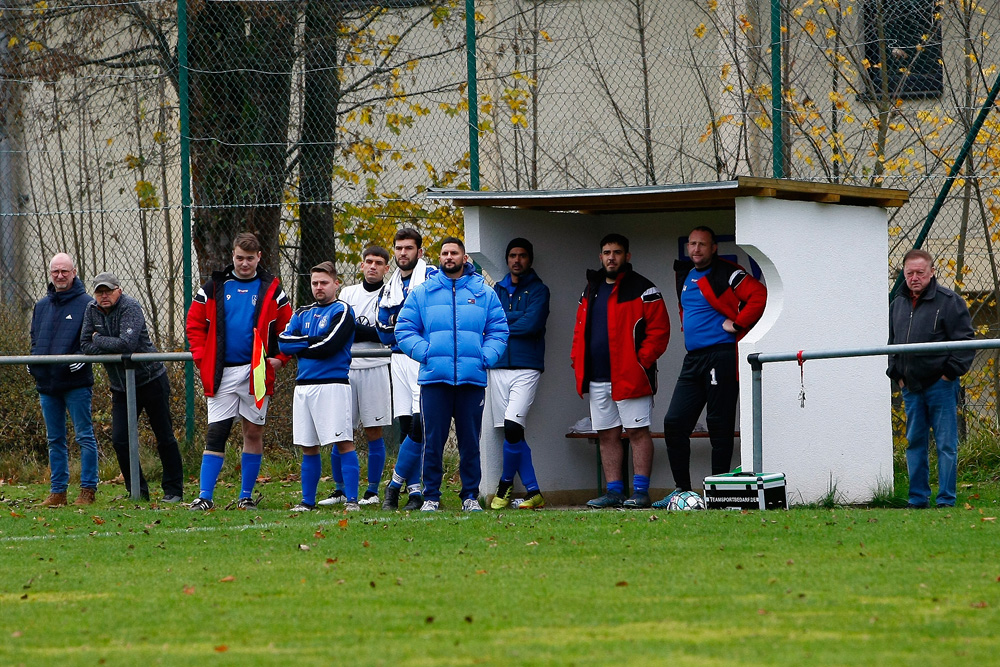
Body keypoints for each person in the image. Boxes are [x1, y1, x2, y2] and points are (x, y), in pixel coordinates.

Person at [655, 226, 767, 508]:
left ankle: (718, 492)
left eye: (702, 244)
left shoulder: (727, 272)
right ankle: (682, 490)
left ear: (713, 247)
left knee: (719, 425)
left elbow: (759, 295)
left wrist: (739, 323)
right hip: (693, 358)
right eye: (692, 244)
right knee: (674, 422)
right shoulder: (685, 274)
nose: (695, 249)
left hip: (722, 356)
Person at [395, 237, 508, 512]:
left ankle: (470, 496)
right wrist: (427, 352)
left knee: (471, 443)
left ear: (464, 257)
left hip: (472, 380)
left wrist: (486, 357)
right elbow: (404, 329)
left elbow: (499, 330)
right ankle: (431, 496)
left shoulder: (483, 292)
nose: (449, 257)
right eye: (444, 253)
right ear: (439, 257)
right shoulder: (423, 292)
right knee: (432, 441)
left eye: (454, 252)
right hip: (435, 380)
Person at [185, 232, 292, 511]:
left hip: (255, 372)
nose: (244, 263)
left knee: (253, 432)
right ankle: (205, 496)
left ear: (259, 257)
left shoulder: (272, 289)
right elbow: (194, 326)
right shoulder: (213, 287)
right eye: (239, 258)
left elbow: (288, 329)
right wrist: (201, 359)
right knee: (216, 432)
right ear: (232, 256)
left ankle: (246, 496)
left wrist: (280, 358)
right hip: (222, 373)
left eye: (250, 258)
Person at [570, 233, 670, 509]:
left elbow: (660, 332)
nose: (611, 257)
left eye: (616, 252)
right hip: (598, 376)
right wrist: (576, 361)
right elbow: (580, 331)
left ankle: (640, 492)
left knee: (638, 432)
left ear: (627, 256)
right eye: (606, 252)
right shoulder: (591, 289)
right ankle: (614, 491)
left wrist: (642, 362)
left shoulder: (644, 289)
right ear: (600, 257)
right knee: (606, 434)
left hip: (632, 376)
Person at [80, 272, 184, 503]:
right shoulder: (91, 310)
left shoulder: (131, 307)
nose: (104, 296)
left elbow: (127, 343)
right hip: (120, 386)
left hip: (151, 380)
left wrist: (99, 339)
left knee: (164, 436)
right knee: (120, 439)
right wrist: (103, 343)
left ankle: (174, 489)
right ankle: (137, 490)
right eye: (99, 292)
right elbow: (85, 344)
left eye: (108, 291)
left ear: (119, 290)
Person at [888, 249, 974, 509]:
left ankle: (946, 499)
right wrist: (897, 375)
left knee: (946, 445)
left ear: (931, 272)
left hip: (942, 386)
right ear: (904, 273)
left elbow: (966, 342)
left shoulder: (950, 301)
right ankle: (917, 499)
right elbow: (892, 343)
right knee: (915, 443)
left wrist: (949, 374)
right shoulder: (897, 304)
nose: (915, 277)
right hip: (910, 387)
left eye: (920, 273)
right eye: (910, 273)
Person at [279, 262, 358, 512]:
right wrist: (310, 343)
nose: (319, 287)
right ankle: (307, 501)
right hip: (303, 387)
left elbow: (330, 346)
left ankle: (352, 500)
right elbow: (282, 342)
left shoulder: (343, 310)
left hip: (332, 385)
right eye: (315, 283)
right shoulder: (302, 312)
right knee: (308, 446)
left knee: (343, 441)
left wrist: (300, 345)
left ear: (336, 284)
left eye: (324, 282)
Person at [320, 245, 391, 507]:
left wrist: (357, 329)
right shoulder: (348, 293)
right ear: (361, 265)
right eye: (368, 261)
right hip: (346, 368)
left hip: (376, 366)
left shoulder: (390, 294)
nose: (373, 266)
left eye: (379, 262)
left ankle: (372, 491)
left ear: (386, 267)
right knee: (342, 431)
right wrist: (361, 330)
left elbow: (384, 333)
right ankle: (339, 489)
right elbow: (339, 329)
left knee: (374, 431)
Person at [29, 253, 99, 507]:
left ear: (74, 272)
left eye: (64, 271)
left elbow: (93, 341)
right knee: (54, 439)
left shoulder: (87, 304)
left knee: (84, 436)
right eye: (55, 271)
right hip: (47, 384)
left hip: (76, 384)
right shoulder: (41, 306)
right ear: (50, 274)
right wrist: (32, 361)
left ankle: (88, 490)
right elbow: (35, 339)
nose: (60, 276)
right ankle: (58, 492)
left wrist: (82, 357)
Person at [376, 228, 436, 511]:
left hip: (423, 358)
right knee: (405, 425)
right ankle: (414, 493)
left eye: (409, 248)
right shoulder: (390, 286)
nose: (403, 253)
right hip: (398, 359)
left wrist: (405, 325)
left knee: (420, 424)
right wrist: (406, 325)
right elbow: (384, 330)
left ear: (420, 252)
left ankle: (394, 485)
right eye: (399, 248)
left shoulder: (432, 276)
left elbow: (430, 321)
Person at [489, 238, 550, 510]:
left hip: (527, 366)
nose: (517, 260)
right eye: (512, 255)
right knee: (511, 433)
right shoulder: (496, 289)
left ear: (530, 259)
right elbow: (487, 321)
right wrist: (508, 321)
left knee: (513, 426)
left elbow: (532, 325)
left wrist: (502, 324)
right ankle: (534, 491)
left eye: (522, 255)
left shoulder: (539, 290)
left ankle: (504, 486)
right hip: (498, 366)